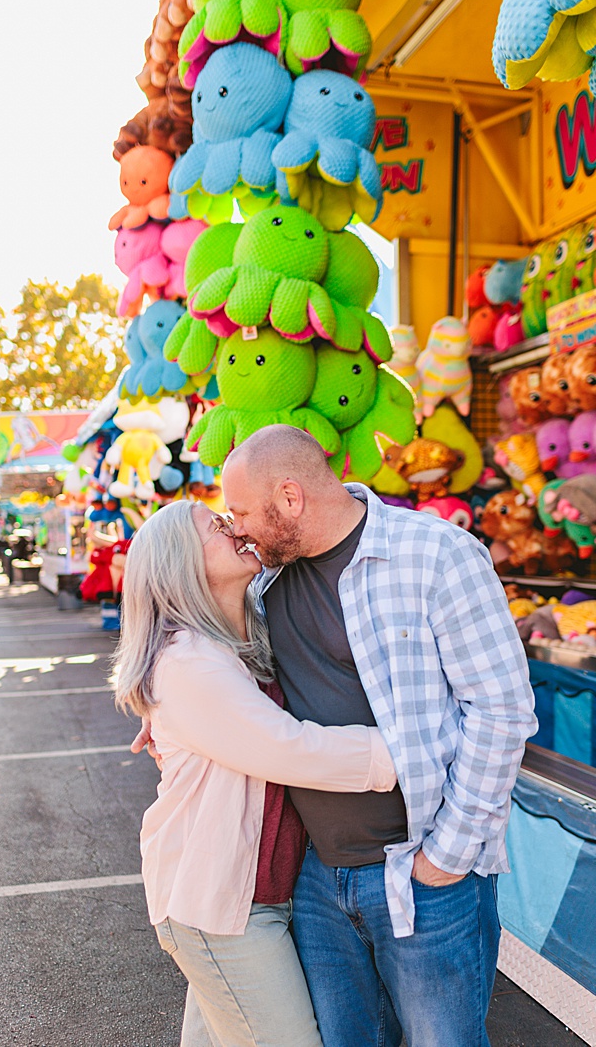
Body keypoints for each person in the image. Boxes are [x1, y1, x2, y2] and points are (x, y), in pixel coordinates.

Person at [220, 424, 537, 1047]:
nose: (236, 530)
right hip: (315, 877)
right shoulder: (262, 583)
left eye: (241, 513)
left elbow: (502, 711)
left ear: (291, 497)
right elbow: (213, 661)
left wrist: (446, 857)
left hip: (424, 872)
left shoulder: (437, 553)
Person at [114, 498, 398, 1046]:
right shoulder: (187, 660)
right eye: (217, 527)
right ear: (181, 563)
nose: (235, 528)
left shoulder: (239, 639)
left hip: (248, 896)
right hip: (220, 905)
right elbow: (287, 748)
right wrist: (401, 753)